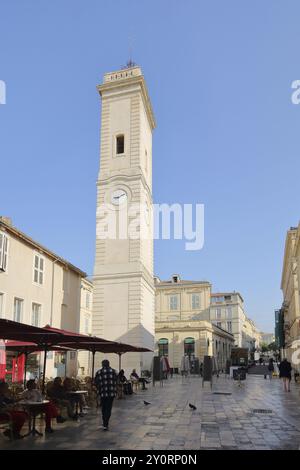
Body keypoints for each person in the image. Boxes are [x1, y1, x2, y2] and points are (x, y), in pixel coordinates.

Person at [94, 359, 117, 431]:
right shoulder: (114, 371)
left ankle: (104, 422)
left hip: (103, 393)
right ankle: (106, 423)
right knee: (108, 408)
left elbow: (96, 383)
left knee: (103, 408)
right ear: (109, 364)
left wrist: (100, 387)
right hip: (111, 393)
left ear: (102, 364)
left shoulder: (98, 372)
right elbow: (117, 381)